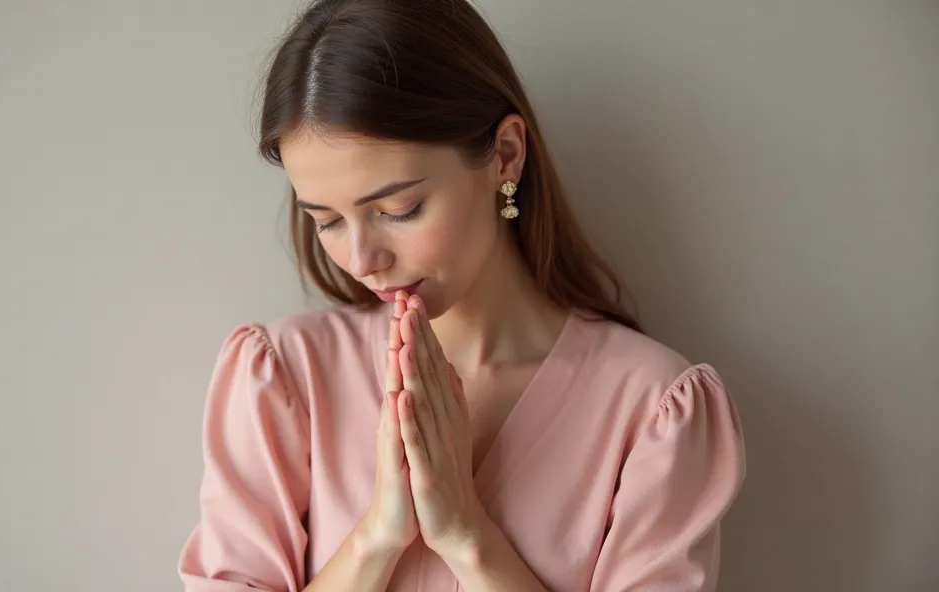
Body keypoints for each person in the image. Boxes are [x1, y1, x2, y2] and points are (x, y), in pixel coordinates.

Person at [178, 0, 746, 590]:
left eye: (399, 210)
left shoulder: (652, 414)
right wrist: (376, 537)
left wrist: (465, 534)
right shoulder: (284, 380)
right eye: (327, 221)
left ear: (505, 156)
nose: (363, 261)